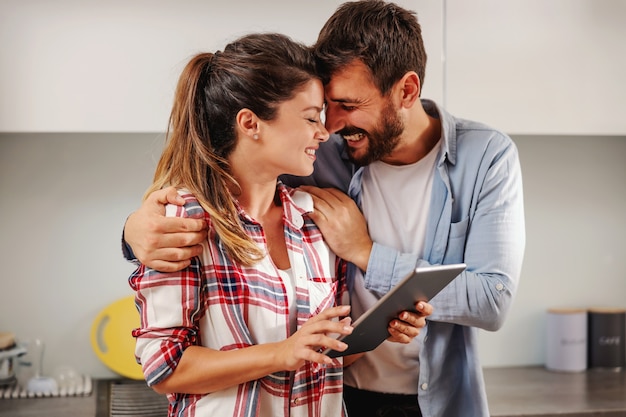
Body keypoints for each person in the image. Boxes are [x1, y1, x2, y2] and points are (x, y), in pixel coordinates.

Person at [124, 1, 526, 416]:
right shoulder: (315, 161)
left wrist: (368, 265)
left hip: (435, 399)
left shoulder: (485, 158)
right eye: (320, 111)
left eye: (347, 106)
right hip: (348, 396)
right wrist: (133, 231)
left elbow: (491, 300)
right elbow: (225, 182)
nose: (330, 127)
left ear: (406, 90)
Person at [127, 31, 431, 417]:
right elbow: (165, 366)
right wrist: (281, 353)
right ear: (250, 123)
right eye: (310, 117)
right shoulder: (187, 222)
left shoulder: (314, 220)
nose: (324, 131)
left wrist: (379, 332)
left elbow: (322, 358)